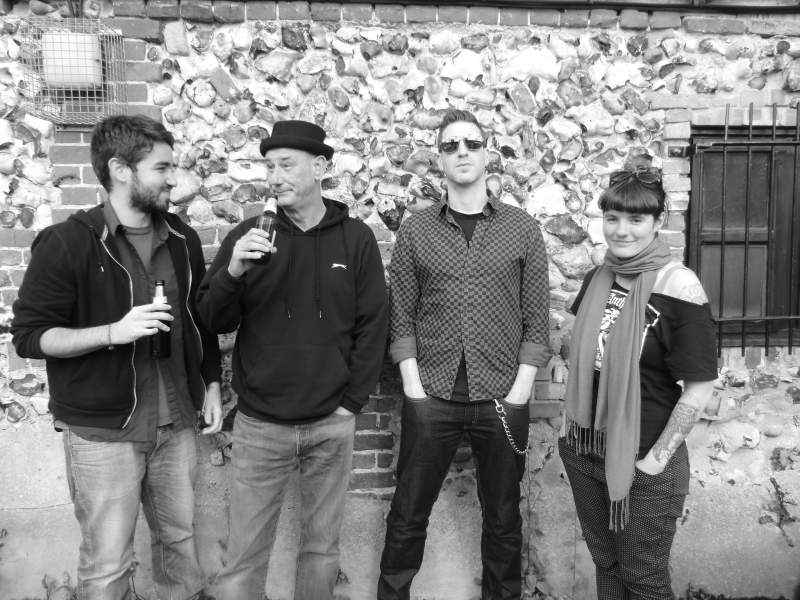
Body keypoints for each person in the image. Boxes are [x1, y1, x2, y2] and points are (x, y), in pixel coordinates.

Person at [11, 114, 223, 600]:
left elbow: (198, 318)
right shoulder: (68, 242)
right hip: (103, 433)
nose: (173, 179)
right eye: (161, 168)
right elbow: (29, 337)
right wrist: (113, 332)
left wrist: (211, 380)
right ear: (120, 170)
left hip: (176, 424)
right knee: (108, 567)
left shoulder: (183, 239)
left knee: (180, 548)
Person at [196, 120, 389, 600]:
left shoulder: (356, 239)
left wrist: (350, 403)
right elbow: (211, 319)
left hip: (331, 423)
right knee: (243, 555)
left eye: (286, 165)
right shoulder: (249, 235)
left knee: (321, 550)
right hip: (261, 425)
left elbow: (373, 324)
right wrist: (233, 271)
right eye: (269, 167)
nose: (274, 177)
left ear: (320, 167)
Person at [377, 109, 551, 600]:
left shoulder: (521, 228)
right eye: (451, 145)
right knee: (408, 514)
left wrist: (520, 393)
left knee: (503, 519)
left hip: (503, 398)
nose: (462, 152)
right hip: (431, 396)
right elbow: (401, 313)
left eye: (471, 143)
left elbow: (537, 316)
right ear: (439, 158)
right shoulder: (416, 230)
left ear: (487, 152)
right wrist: (413, 387)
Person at [559, 167, 718, 599]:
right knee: (607, 566)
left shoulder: (679, 287)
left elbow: (700, 387)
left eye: (636, 219)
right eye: (612, 218)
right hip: (586, 450)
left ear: (658, 221)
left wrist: (654, 462)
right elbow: (583, 356)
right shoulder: (598, 278)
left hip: (642, 458)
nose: (621, 230)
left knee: (643, 581)